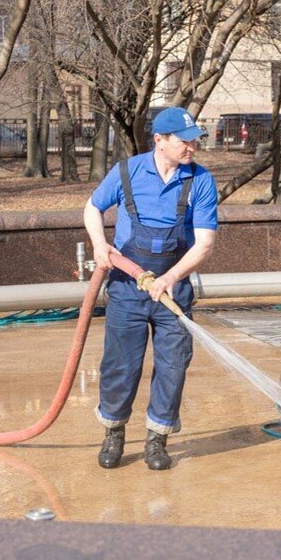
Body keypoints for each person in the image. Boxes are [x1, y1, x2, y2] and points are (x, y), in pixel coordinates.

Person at [83, 107, 218, 471]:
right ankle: (114, 432)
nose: (192, 147)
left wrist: (170, 278)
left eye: (194, 141)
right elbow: (92, 208)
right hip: (128, 286)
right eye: (184, 141)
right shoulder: (127, 171)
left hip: (173, 288)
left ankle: (157, 439)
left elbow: (204, 243)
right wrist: (99, 245)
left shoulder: (201, 180)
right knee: (120, 366)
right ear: (159, 140)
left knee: (173, 365)